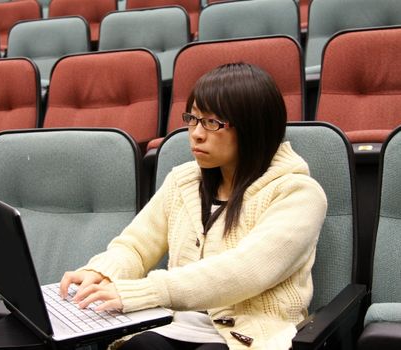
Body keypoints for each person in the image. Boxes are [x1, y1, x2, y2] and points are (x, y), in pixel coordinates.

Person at [60, 62, 327, 350]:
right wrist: (101, 273)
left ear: (253, 128)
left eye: (212, 122)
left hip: (249, 332)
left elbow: (243, 272)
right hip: (177, 326)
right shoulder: (183, 180)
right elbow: (135, 245)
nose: (197, 133)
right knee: (140, 347)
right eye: (193, 119)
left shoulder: (297, 193)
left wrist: (145, 291)